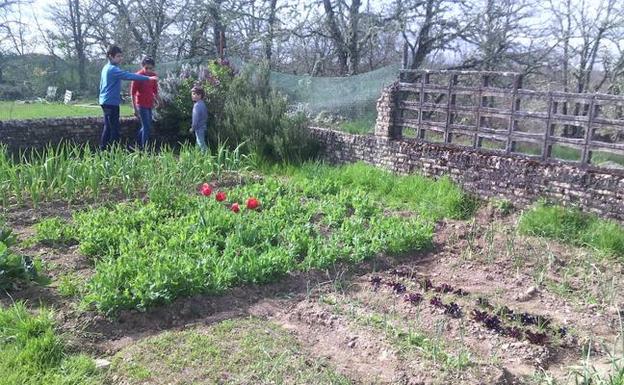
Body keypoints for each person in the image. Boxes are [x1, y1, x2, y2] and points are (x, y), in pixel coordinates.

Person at [99, 45, 157, 150]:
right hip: (111, 103)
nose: (120, 58)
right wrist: (147, 78)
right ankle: (112, 151)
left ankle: (104, 150)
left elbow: (101, 85)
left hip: (105, 101)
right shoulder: (112, 69)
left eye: (121, 56)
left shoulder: (106, 68)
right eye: (118, 56)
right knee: (114, 129)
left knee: (108, 128)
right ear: (110, 56)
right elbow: (129, 76)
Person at [130, 56, 159, 149]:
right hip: (141, 105)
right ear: (142, 66)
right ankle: (145, 149)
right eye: (146, 68)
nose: (148, 70)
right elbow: (133, 93)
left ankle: (135, 145)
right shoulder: (138, 76)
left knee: (147, 126)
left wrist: (158, 101)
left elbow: (155, 91)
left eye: (150, 68)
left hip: (150, 104)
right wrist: (134, 108)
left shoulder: (153, 76)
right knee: (146, 127)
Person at [190, 86, 208, 151]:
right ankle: (197, 156)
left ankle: (208, 157)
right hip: (203, 126)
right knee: (198, 143)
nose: (193, 96)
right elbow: (206, 116)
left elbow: (195, 119)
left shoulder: (196, 105)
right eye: (192, 94)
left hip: (198, 128)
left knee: (201, 143)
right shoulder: (203, 104)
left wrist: (193, 128)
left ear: (200, 95)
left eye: (194, 94)